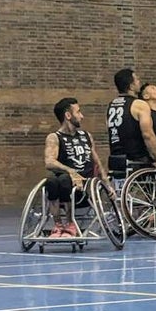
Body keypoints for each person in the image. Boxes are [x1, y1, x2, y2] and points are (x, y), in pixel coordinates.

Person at [44, 97, 109, 237]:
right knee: (54, 180)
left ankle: (70, 224)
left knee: (64, 180)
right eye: (78, 112)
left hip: (85, 187)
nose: (82, 116)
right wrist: (71, 171)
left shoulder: (86, 136)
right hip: (65, 184)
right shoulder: (54, 137)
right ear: (68, 115)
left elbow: (97, 162)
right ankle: (58, 225)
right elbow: (49, 161)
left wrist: (107, 185)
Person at [106, 68, 156, 177]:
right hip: (137, 160)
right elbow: (148, 135)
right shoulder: (139, 104)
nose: (139, 82)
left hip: (116, 159)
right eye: (137, 80)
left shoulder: (111, 105)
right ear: (131, 86)